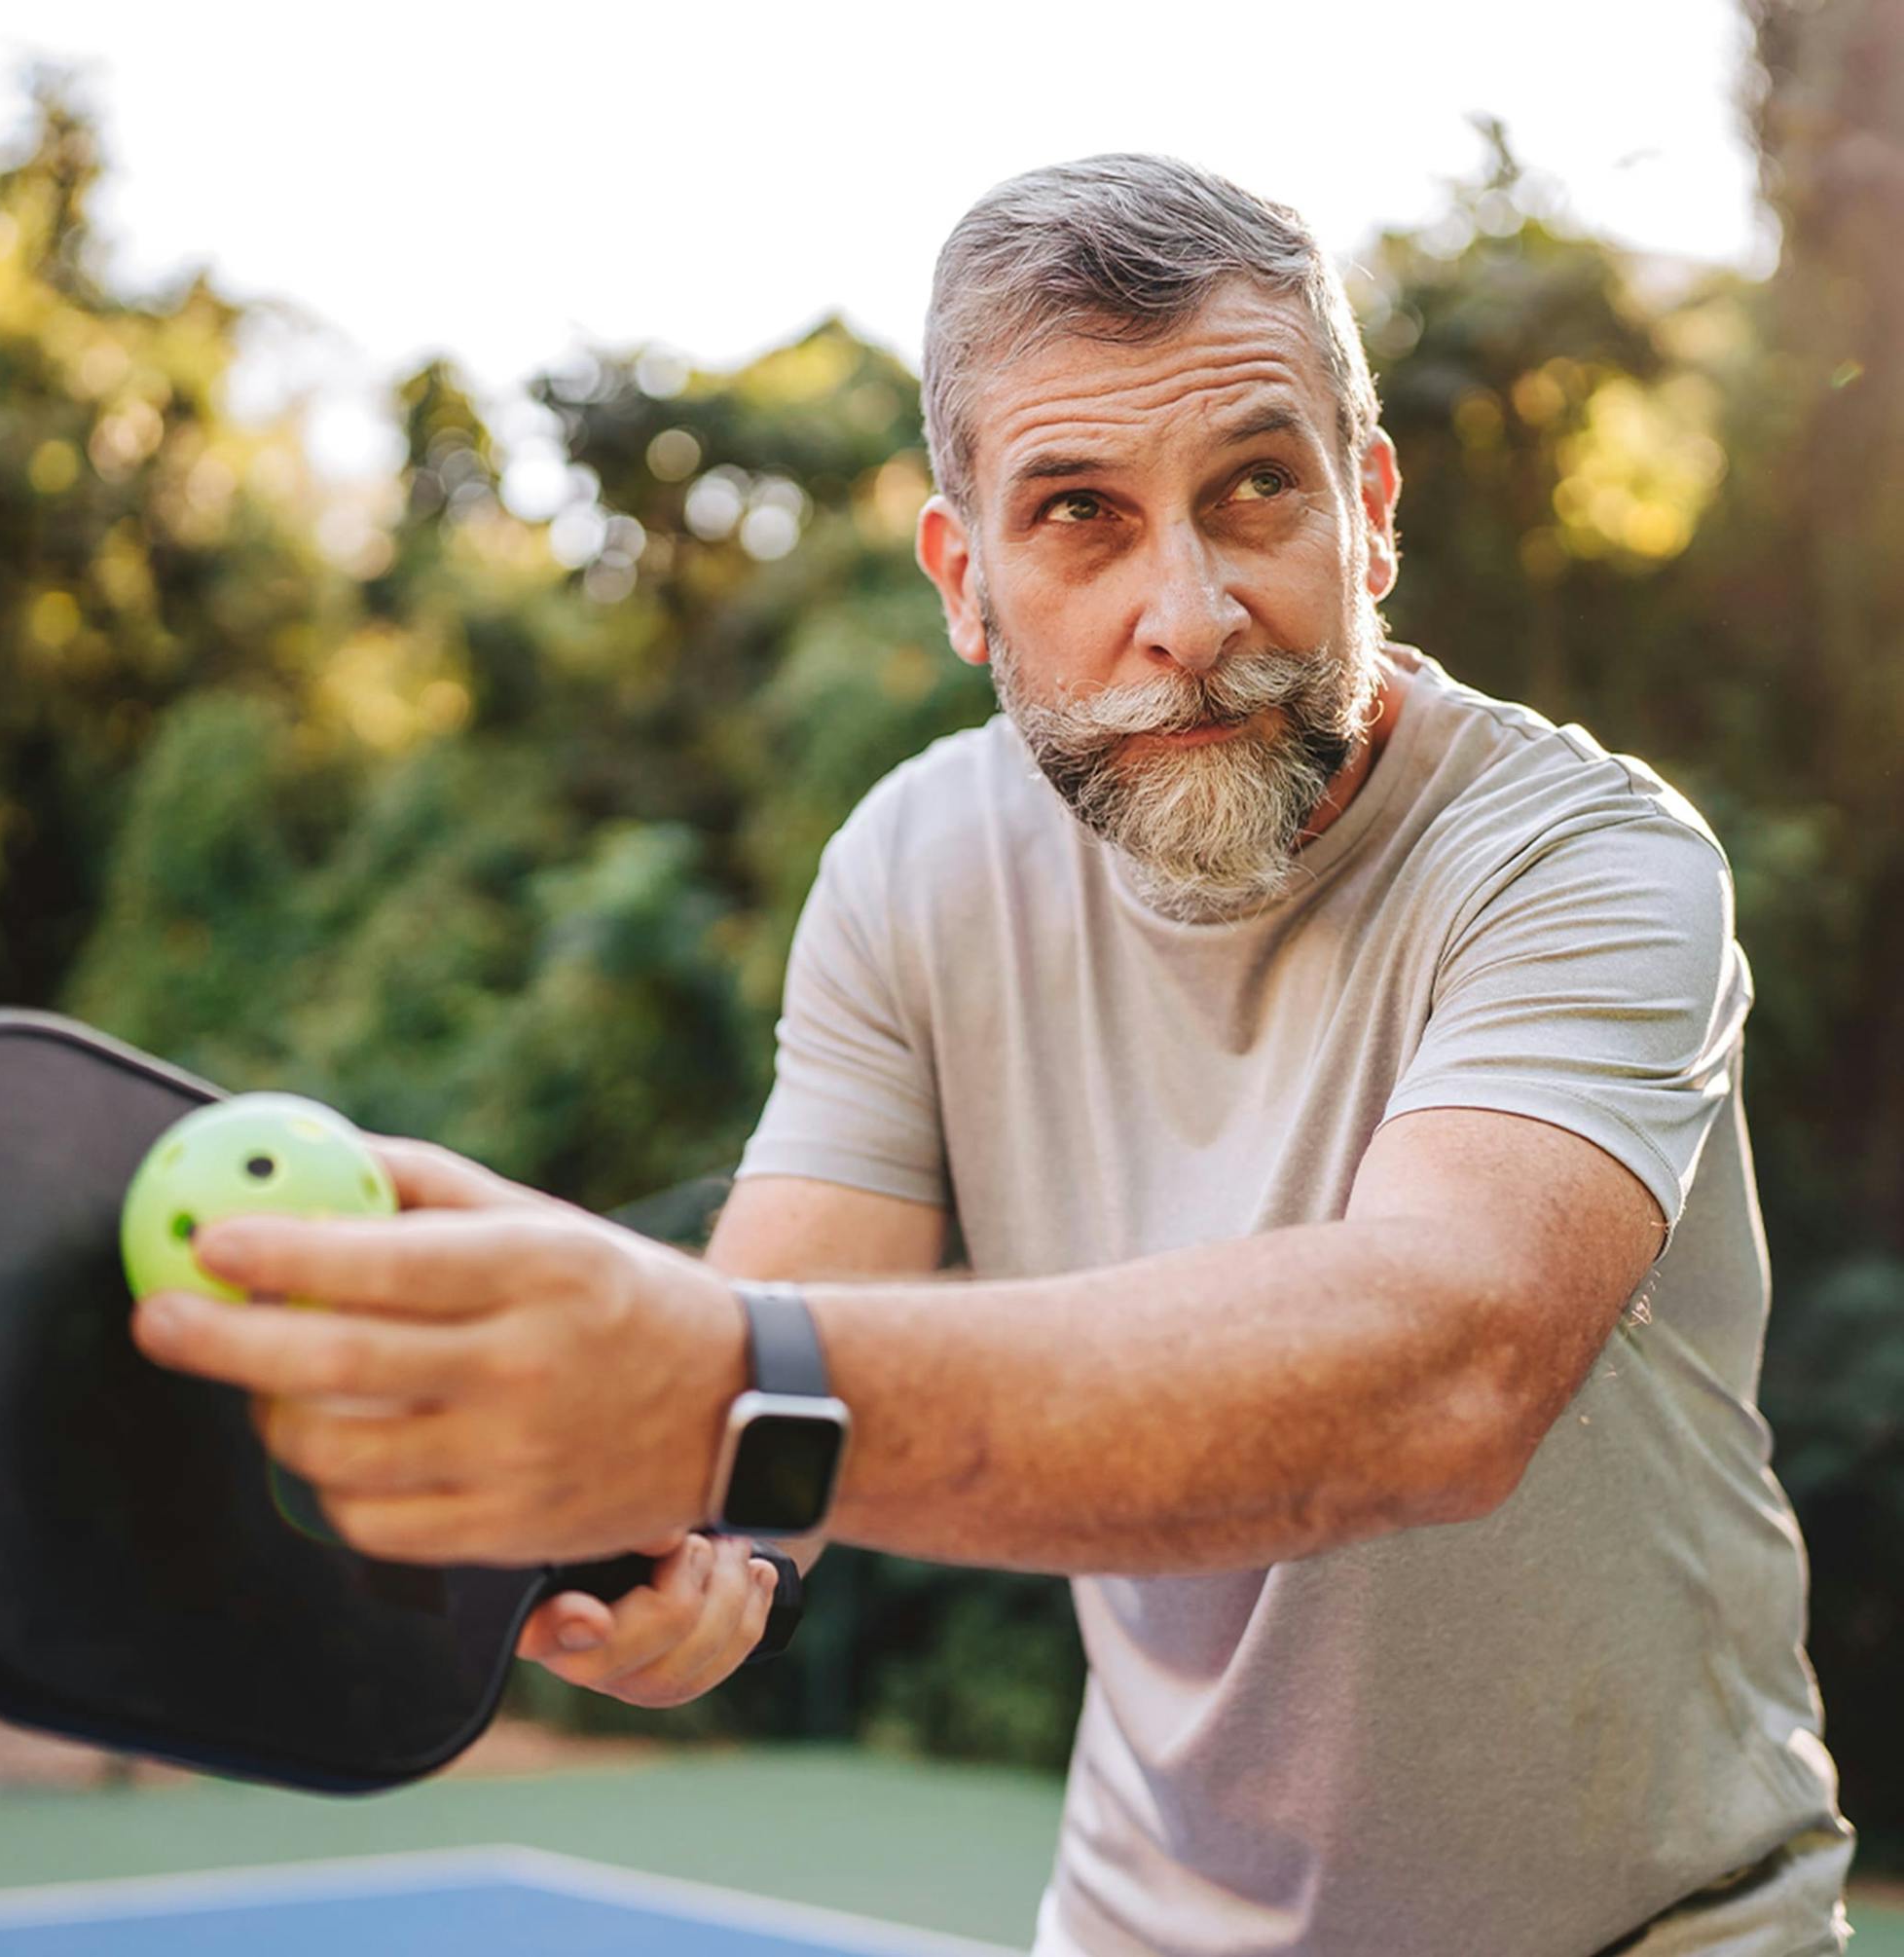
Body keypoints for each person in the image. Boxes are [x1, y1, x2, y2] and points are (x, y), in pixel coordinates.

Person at [131, 155, 1856, 1955]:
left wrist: (694, 1380)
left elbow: (1445, 1369)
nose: (1187, 612)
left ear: (1371, 509)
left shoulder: (1588, 862)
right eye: (1081, 512)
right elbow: (776, 1363)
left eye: (1256, 486)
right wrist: (694, 1545)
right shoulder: (914, 863)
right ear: (965, 579)